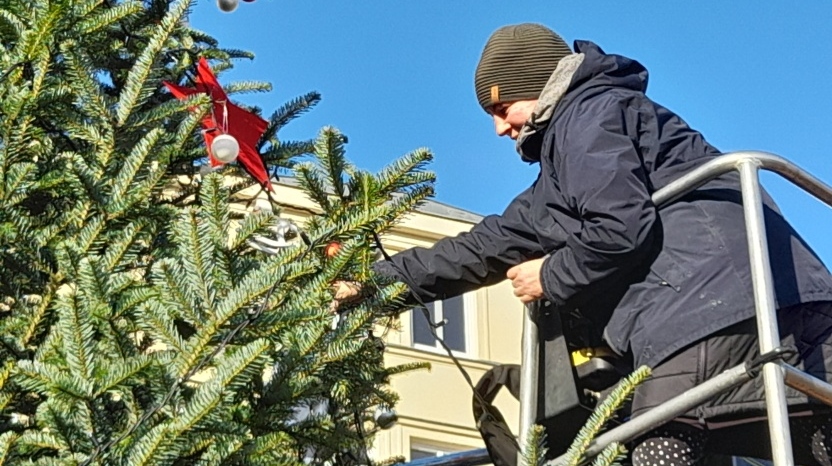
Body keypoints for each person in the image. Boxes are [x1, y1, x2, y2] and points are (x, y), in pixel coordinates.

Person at [335, 23, 832, 466]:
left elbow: (620, 227)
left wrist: (548, 275)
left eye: (501, 106)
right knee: (808, 429)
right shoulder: (567, 167)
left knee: (658, 437)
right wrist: (369, 285)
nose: (498, 127)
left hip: (708, 306)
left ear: (533, 85)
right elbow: (480, 248)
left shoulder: (586, 117)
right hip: (789, 298)